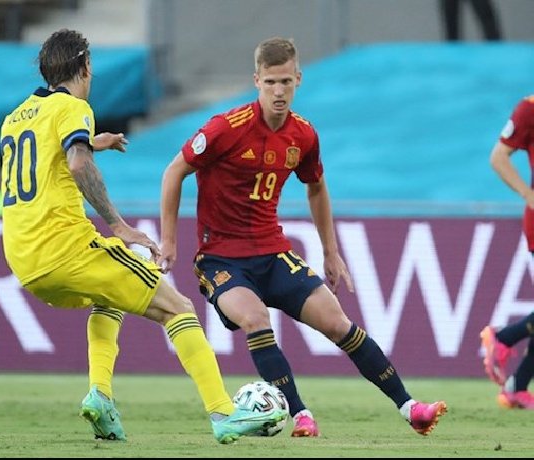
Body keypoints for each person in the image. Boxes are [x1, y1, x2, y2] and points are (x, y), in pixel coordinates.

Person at [0, 28, 286, 443]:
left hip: (25, 260)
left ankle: (100, 396)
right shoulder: (74, 107)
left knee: (108, 298)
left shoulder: (17, 117)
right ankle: (223, 413)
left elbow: (50, 153)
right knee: (179, 307)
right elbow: (76, 164)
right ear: (85, 66)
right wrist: (118, 224)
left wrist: (96, 142)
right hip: (66, 248)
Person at [158, 37, 448, 438]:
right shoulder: (225, 128)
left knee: (338, 324)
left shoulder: (303, 136)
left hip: (273, 253)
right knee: (256, 319)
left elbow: (316, 187)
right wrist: (169, 240)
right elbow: (174, 171)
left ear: (298, 79)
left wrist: (331, 252)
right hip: (221, 259)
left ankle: (410, 407)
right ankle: (299, 414)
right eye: (271, 82)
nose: (279, 92)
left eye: (286, 83)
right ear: (256, 80)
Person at [480, 95, 534, 410]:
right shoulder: (529, 108)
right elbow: (499, 156)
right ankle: (504, 339)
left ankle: (516, 386)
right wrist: (527, 194)